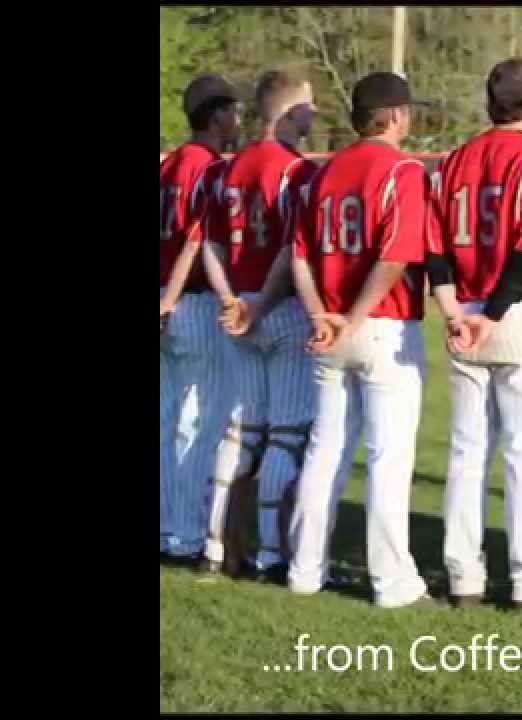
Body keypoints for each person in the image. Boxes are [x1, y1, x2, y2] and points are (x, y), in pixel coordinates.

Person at [286, 71, 438, 609]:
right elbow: (394, 257)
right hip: (380, 325)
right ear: (395, 116)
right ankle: (392, 582)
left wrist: (320, 315)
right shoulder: (402, 169)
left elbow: (300, 256)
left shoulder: (321, 174)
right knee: (387, 457)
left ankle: (304, 570)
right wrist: (351, 316)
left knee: (325, 450)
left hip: (328, 325)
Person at [426, 59, 522, 611]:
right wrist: (495, 312)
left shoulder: (454, 161)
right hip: (517, 312)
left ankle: (465, 578)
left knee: (466, 453)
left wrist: (452, 310)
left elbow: (433, 249)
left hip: (463, 307)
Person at [197, 68, 321, 583]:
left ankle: (213, 547)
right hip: (281, 308)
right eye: (309, 105)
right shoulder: (299, 172)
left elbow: (209, 242)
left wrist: (231, 299)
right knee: (286, 435)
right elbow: (295, 250)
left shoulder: (225, 169)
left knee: (239, 431)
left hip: (239, 303)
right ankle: (270, 553)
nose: (314, 114)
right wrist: (260, 305)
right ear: (290, 110)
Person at [160, 74, 241, 564]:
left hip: (167, 300)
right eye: (230, 111)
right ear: (215, 116)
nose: (236, 120)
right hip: (190, 300)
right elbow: (196, 236)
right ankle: (187, 533)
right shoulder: (205, 167)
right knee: (200, 421)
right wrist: (171, 296)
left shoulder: (169, 164)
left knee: (169, 419)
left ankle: (169, 524)